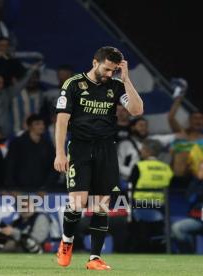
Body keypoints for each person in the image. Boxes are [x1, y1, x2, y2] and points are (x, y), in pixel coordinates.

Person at [54, 46, 143, 270]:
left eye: (113, 70)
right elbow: (62, 121)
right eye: (106, 69)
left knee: (101, 205)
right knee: (78, 202)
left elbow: (136, 110)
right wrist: (60, 152)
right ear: (95, 62)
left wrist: (126, 79)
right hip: (80, 148)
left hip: (106, 148)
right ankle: (66, 242)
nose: (108, 74)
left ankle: (94, 258)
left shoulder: (116, 85)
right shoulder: (73, 84)